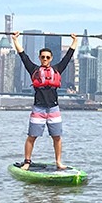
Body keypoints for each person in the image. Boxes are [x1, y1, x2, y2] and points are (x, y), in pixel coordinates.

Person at [11, 31, 78, 170]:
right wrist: (15, 39)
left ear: (51, 58)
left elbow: (68, 56)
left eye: (48, 57)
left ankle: (58, 162)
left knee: (57, 137)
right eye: (43, 57)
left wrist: (74, 40)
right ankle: (27, 162)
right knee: (32, 136)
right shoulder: (34, 69)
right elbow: (23, 55)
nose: (45, 59)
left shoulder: (57, 69)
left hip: (54, 109)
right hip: (38, 109)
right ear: (40, 58)